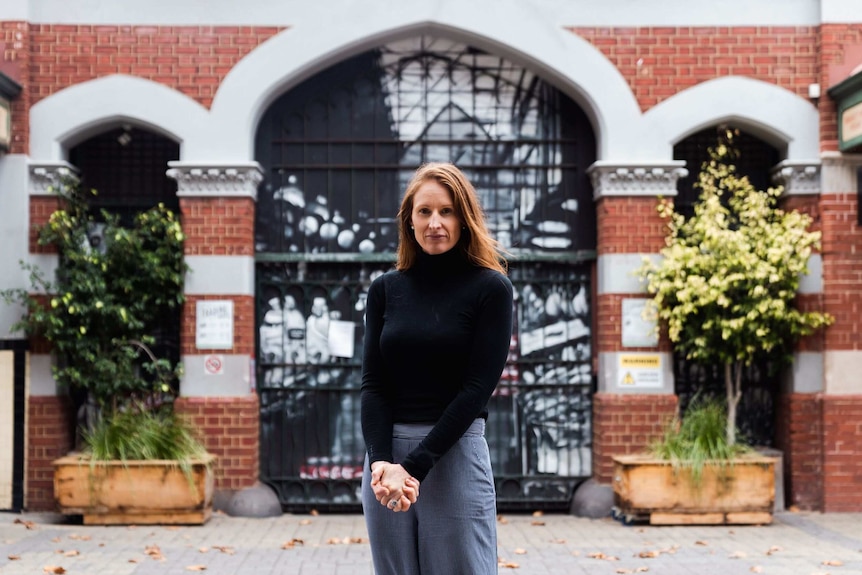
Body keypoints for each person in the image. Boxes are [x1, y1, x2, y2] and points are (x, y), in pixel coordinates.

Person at [360, 162, 514, 575]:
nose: (435, 223)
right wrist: (381, 463)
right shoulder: (385, 290)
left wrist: (413, 468)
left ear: (465, 219)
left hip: (455, 454)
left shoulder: (491, 289)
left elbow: (476, 390)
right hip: (387, 467)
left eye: (446, 212)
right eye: (424, 212)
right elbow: (373, 385)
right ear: (409, 220)